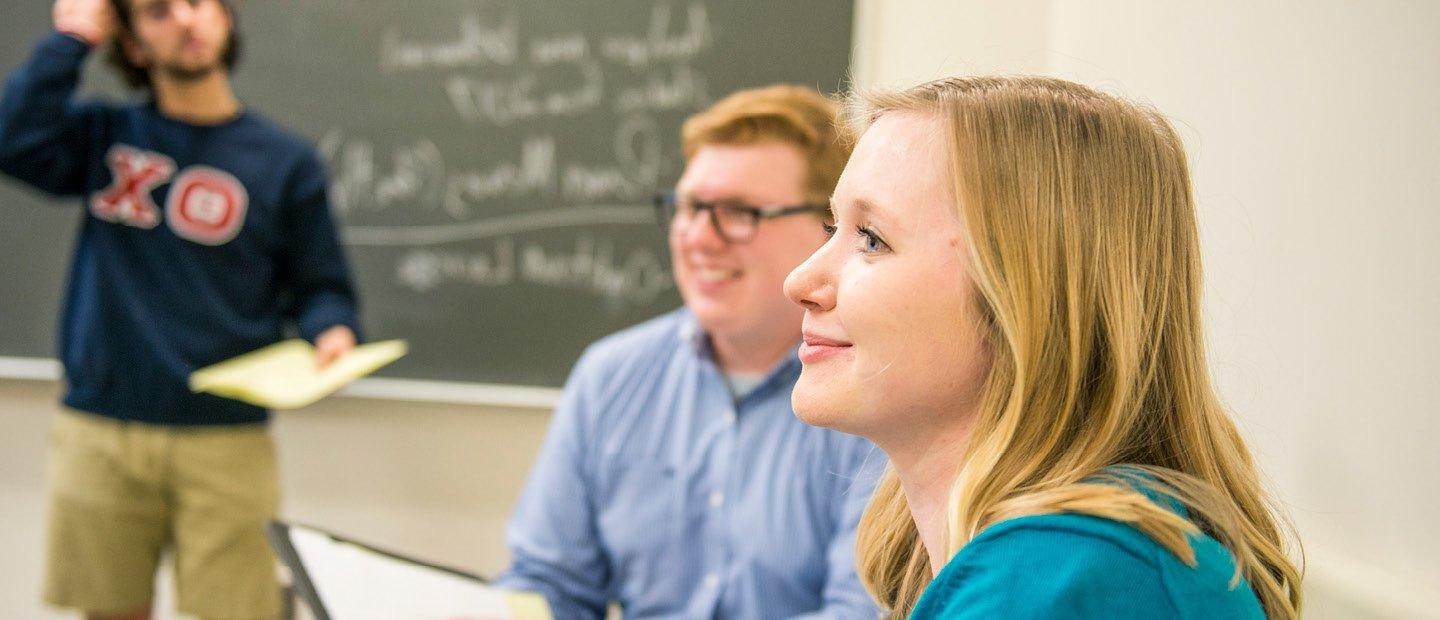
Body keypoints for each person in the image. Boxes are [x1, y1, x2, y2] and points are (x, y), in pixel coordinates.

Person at [783, 76, 1304, 619]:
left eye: (871, 239)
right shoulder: (1054, 557)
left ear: (1026, 297)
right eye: (830, 227)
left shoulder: (1061, 578)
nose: (799, 281)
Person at [0, 0, 361, 617]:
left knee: (239, 610)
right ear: (134, 43)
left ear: (225, 18)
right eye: (159, 11)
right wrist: (75, 37)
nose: (187, 21)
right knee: (108, 608)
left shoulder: (284, 161)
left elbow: (322, 285)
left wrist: (334, 331)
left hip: (226, 438)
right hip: (101, 427)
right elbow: (12, 138)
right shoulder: (104, 138)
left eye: (199, 3)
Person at [494, 85, 883, 619]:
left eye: (739, 212)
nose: (700, 237)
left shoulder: (873, 392)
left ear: (830, 228)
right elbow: (549, 582)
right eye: (689, 207)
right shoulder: (611, 377)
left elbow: (861, 612)